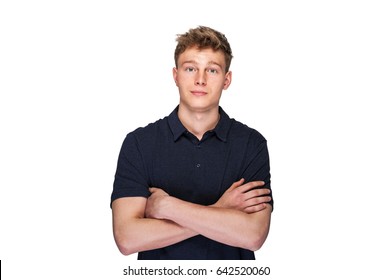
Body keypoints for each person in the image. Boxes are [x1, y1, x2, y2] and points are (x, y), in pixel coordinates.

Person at [110, 26, 273, 260]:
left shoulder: (251, 144)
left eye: (212, 70)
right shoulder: (139, 143)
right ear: (175, 76)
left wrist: (167, 207)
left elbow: (253, 235)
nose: (200, 80)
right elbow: (127, 238)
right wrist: (220, 209)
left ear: (227, 80)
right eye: (190, 68)